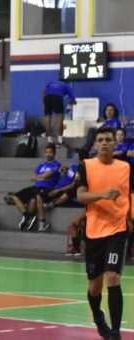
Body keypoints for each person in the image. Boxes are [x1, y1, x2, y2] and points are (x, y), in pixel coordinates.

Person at [75, 125, 132, 340]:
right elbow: (81, 196)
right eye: (101, 140)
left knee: (113, 277)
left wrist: (130, 216)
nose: (105, 143)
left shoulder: (126, 167)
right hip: (93, 232)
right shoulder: (86, 166)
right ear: (95, 144)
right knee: (94, 288)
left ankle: (116, 333)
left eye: (109, 139)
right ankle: (99, 318)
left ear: (115, 143)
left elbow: (131, 193)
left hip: (117, 230)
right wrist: (103, 195)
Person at [35, 149, 88, 232]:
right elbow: (70, 172)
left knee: (69, 193)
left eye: (77, 156)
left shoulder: (81, 170)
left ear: (80, 158)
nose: (75, 157)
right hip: (56, 188)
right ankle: (42, 222)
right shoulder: (73, 167)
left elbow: (74, 185)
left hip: (63, 190)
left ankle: (52, 204)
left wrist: (59, 190)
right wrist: (65, 169)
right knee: (39, 195)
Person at [12, 144, 61, 231]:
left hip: (47, 189)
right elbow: (32, 177)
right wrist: (42, 177)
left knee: (37, 197)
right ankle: (27, 216)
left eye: (50, 152)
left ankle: (42, 223)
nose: (48, 154)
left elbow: (47, 175)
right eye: (46, 152)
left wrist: (40, 176)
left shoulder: (57, 165)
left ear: (54, 153)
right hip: (35, 187)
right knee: (15, 197)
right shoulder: (40, 165)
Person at [42, 79, 76, 146]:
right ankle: (60, 141)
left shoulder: (51, 82)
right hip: (57, 97)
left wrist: (43, 105)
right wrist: (73, 102)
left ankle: (49, 141)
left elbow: (43, 91)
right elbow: (73, 100)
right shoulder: (67, 86)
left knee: (48, 119)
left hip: (47, 97)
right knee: (60, 119)